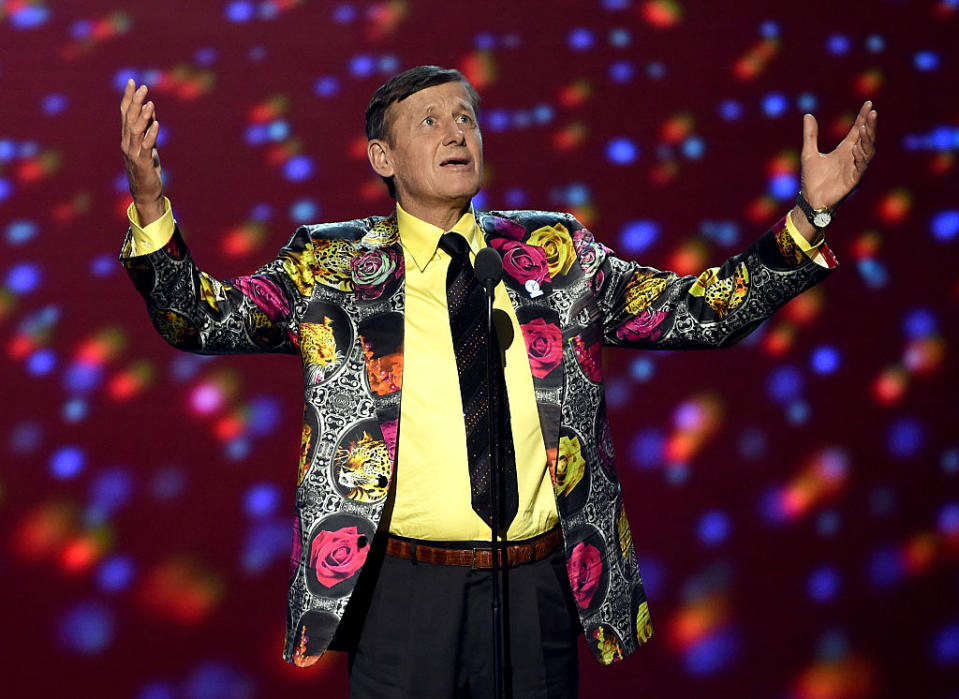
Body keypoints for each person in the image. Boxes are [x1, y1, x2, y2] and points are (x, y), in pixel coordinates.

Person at [119, 65, 877, 698]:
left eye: (466, 117)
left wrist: (807, 218)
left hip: (538, 584)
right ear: (381, 156)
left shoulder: (552, 251)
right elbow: (199, 319)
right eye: (429, 121)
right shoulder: (329, 267)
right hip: (401, 595)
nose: (456, 132)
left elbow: (696, 313)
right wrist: (152, 206)